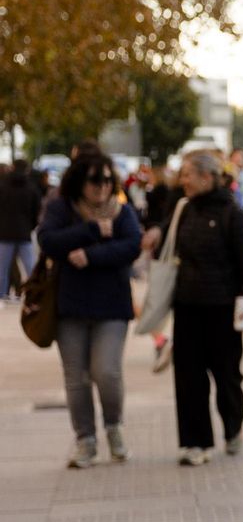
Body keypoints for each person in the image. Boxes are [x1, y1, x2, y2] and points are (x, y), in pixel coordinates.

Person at [142, 152, 243, 465]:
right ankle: (196, 443)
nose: (183, 180)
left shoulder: (231, 213)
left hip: (222, 309)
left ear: (206, 178)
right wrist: (155, 232)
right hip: (187, 306)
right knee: (188, 377)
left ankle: (233, 428)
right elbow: (166, 233)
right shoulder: (183, 208)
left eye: (187, 175)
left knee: (227, 378)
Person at [37, 153, 143, 468]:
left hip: (111, 305)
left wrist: (91, 256)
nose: (102, 188)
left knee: (106, 372)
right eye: (95, 181)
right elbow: (48, 241)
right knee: (76, 377)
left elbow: (132, 246)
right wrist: (94, 231)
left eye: (108, 180)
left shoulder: (122, 212)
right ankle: (85, 440)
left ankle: (113, 427)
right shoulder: (61, 208)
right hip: (69, 306)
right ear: (80, 181)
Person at [0, 158, 43, 304]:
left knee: (3, 268)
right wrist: (30, 226)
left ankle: (2, 295)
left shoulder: (3, 186)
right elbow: (36, 210)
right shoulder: (31, 187)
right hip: (24, 232)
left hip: (4, 232)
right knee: (30, 268)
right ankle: (34, 295)